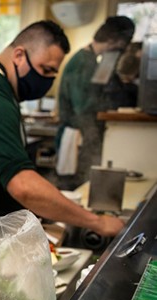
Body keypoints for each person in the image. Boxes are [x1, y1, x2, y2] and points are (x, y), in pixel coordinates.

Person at [0, 20, 125, 283]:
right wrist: (97, 222)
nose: (48, 80)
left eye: (54, 74)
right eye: (45, 69)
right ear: (19, 55)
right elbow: (24, 186)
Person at [56, 16, 135, 190]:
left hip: (83, 134)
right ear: (114, 40)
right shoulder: (83, 62)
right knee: (72, 188)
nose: (122, 50)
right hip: (76, 136)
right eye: (122, 45)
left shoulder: (92, 60)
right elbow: (82, 107)